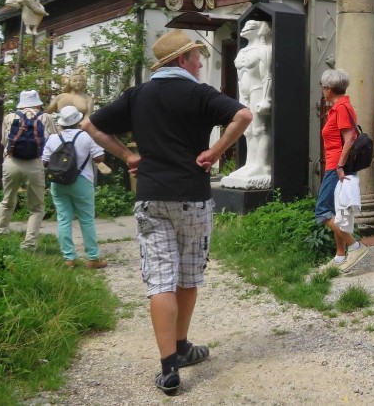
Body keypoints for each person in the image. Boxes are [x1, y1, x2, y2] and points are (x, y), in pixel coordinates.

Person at [82, 29, 252, 396]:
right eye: (196, 57)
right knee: (188, 276)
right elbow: (243, 115)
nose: (201, 62)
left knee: (161, 280)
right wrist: (217, 151)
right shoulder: (199, 93)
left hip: (151, 198)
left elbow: (90, 125)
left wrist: (127, 156)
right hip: (193, 197)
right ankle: (183, 344)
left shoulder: (137, 95)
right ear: (181, 61)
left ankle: (169, 368)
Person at [314, 68, 369, 272]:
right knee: (338, 211)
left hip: (337, 167)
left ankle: (355, 246)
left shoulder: (342, 108)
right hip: (337, 165)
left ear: (329, 89)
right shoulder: (339, 107)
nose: (322, 90)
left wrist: (338, 165)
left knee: (323, 210)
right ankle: (339, 256)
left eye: (323, 87)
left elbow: (350, 139)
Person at [0, 89, 60, 249]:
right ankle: (29, 244)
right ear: (37, 103)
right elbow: (55, 139)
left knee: (7, 200)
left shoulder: (9, 117)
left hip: (11, 162)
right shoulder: (46, 117)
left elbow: (3, 141)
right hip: (35, 163)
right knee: (37, 207)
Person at [41, 105, 106, 268]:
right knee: (86, 219)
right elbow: (99, 158)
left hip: (58, 182)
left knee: (63, 219)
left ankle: (69, 258)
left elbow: (45, 162)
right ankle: (92, 258)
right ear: (78, 121)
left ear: (61, 123)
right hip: (82, 180)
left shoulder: (53, 139)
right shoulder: (86, 137)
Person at [222, 20, 272, 185]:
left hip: (257, 90)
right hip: (244, 93)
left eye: (253, 25)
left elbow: (267, 76)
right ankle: (250, 163)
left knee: (259, 128)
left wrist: (266, 98)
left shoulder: (264, 50)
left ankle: (262, 164)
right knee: (248, 130)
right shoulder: (243, 51)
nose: (246, 28)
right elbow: (239, 77)